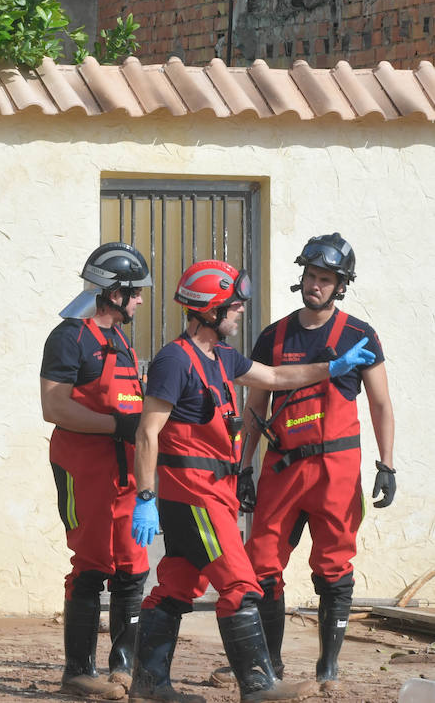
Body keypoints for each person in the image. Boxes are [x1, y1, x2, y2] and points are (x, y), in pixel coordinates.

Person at [130, 259, 374, 703]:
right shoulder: (173, 360)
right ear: (209, 309)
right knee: (242, 585)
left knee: (177, 585)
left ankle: (149, 686)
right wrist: (145, 496)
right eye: (234, 305)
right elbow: (147, 432)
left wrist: (333, 366)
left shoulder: (223, 356)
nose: (240, 311)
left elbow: (278, 377)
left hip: (215, 492)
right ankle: (259, 685)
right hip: (193, 493)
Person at [235, 233, 394, 693]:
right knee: (261, 562)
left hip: (336, 471)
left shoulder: (360, 335)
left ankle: (328, 667)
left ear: (341, 285)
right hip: (282, 468)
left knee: (334, 566)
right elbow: (255, 405)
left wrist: (387, 465)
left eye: (325, 280)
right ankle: (271, 665)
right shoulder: (274, 336)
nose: (315, 286)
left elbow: (381, 404)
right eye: (310, 277)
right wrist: (245, 465)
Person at [39, 243, 153, 699]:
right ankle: (78, 672)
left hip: (124, 469)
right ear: (114, 291)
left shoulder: (120, 339)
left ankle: (123, 667)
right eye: (136, 292)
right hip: (81, 466)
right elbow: (54, 407)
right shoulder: (68, 337)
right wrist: (118, 424)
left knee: (132, 564)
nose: (141, 300)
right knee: (90, 564)